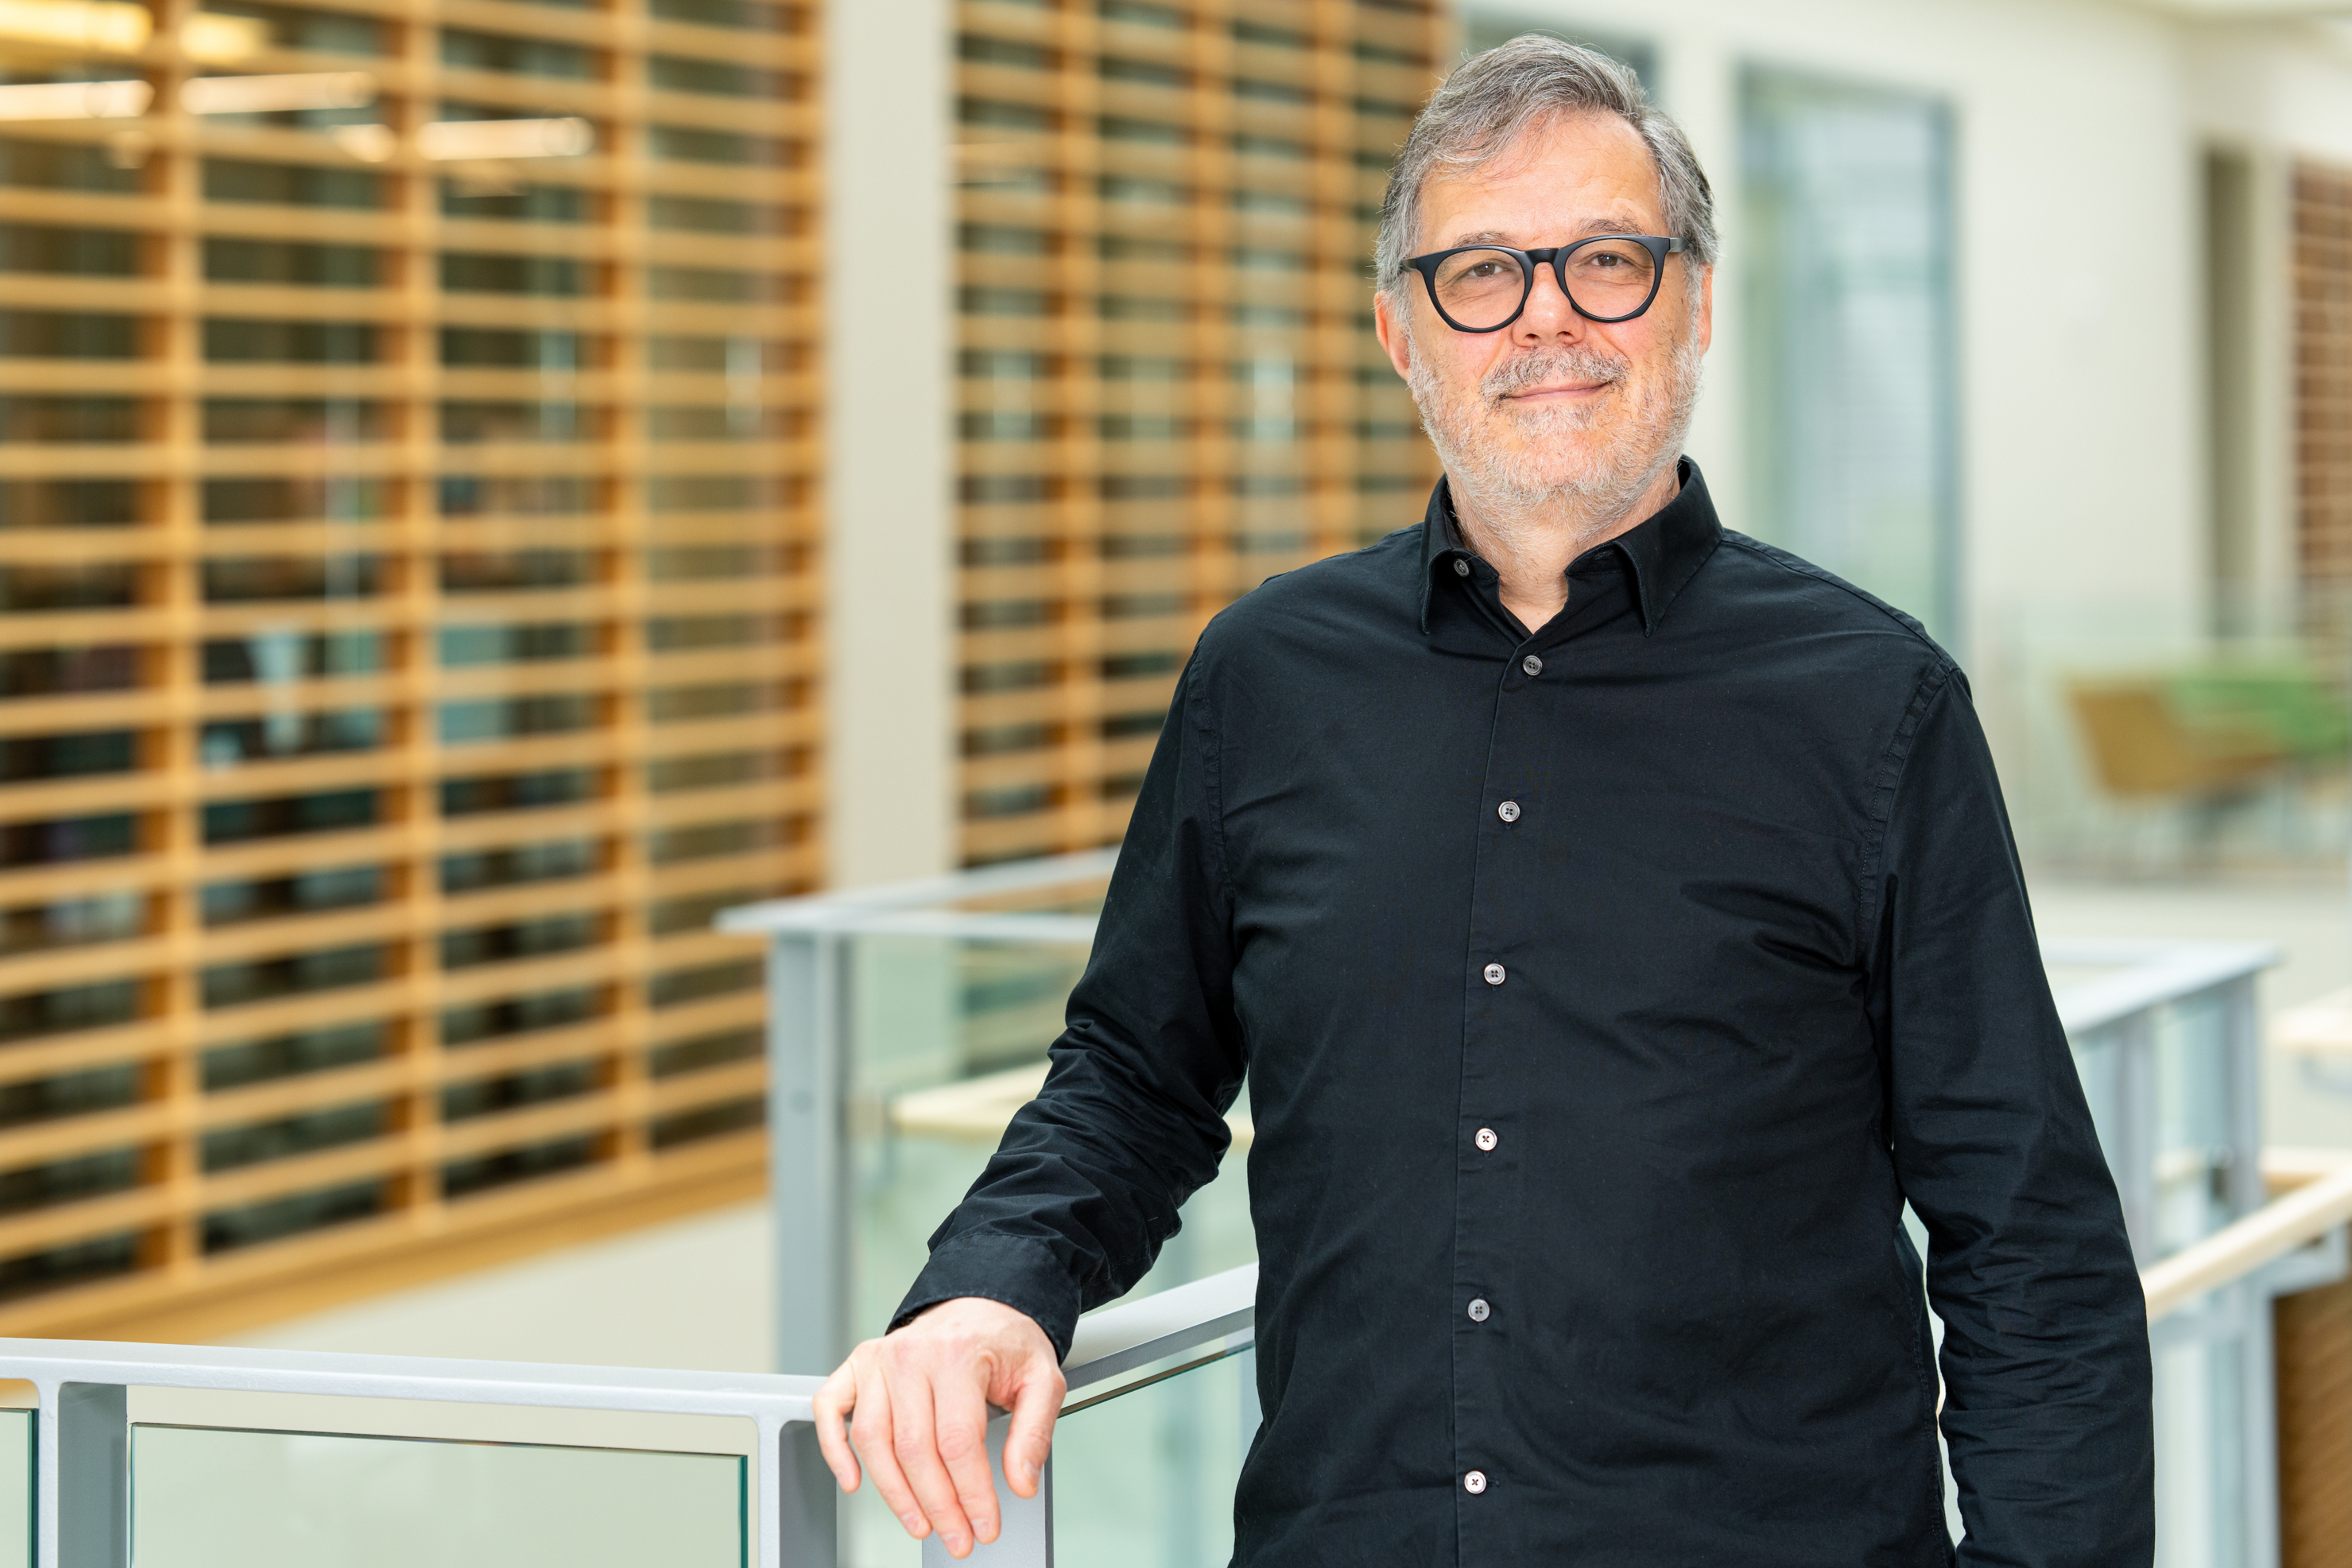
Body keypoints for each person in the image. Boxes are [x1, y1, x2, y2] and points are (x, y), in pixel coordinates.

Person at [815, 34, 2153, 1566]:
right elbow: (1135, 1069)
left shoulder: (1874, 704)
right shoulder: (1264, 679)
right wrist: (993, 1282)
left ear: (1696, 305)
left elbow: (2027, 1239)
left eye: (1608, 261)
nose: (1548, 320)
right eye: (1482, 274)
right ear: (1404, 332)